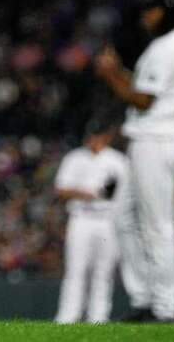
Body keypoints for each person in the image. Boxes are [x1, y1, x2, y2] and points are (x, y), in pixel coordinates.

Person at [93, 0, 174, 322]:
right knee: (123, 216)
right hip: (148, 140)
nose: (146, 15)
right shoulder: (163, 45)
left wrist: (110, 75)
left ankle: (165, 307)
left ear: (167, 12)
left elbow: (141, 99)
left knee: (158, 225)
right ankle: (144, 297)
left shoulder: (170, 46)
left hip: (159, 141)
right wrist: (118, 70)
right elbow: (139, 89)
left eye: (152, 10)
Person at [53, 118, 130, 324]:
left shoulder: (118, 161)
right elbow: (61, 190)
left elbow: (122, 195)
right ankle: (68, 316)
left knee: (103, 271)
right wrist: (88, 193)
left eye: (97, 135)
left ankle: (99, 317)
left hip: (108, 220)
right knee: (75, 268)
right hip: (81, 217)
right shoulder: (75, 157)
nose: (93, 139)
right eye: (90, 135)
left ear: (107, 137)